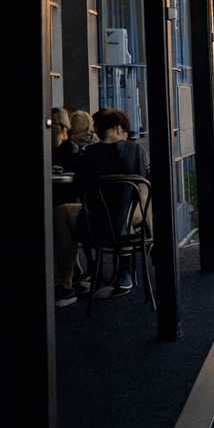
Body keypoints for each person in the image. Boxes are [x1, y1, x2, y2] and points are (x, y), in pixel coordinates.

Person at [53, 108, 149, 305]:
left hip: (94, 226)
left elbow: (79, 187)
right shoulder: (135, 151)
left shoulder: (89, 153)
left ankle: (66, 285)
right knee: (132, 207)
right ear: (116, 128)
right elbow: (143, 187)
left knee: (61, 211)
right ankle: (124, 271)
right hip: (126, 226)